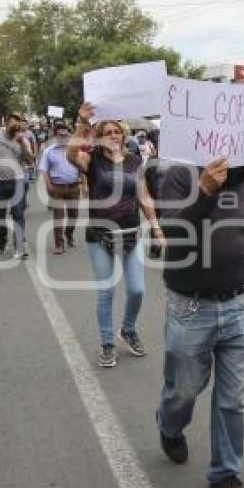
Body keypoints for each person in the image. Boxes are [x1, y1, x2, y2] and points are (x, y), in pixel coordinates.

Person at [155, 154, 244, 488]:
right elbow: (173, 232)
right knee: (183, 392)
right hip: (190, 307)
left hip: (238, 305)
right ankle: (170, 426)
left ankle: (225, 474)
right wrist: (204, 193)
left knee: (234, 401)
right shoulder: (179, 176)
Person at [67, 103, 164, 368]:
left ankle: (128, 329)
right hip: (100, 235)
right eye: (107, 132)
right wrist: (82, 122)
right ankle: (108, 342)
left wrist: (156, 227)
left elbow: (144, 195)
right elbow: (71, 153)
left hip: (131, 232)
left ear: (123, 135)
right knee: (106, 291)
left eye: (116, 132)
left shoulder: (134, 161)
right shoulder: (92, 160)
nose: (112, 135)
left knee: (137, 290)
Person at [0, 114, 34, 259]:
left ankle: (19, 246)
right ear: (5, 123)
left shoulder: (23, 139)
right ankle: (2, 242)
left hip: (17, 182)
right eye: (13, 124)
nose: (16, 127)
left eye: (19, 125)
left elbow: (30, 161)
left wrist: (22, 143)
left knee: (18, 215)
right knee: (0, 215)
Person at [40, 121, 80, 254]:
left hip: (74, 187)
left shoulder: (74, 149)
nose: (64, 137)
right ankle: (59, 244)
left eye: (66, 135)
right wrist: (48, 185)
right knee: (58, 217)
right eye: (61, 135)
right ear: (55, 136)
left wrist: (84, 183)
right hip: (57, 187)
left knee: (74, 215)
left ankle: (69, 234)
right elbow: (45, 171)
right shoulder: (48, 152)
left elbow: (81, 166)